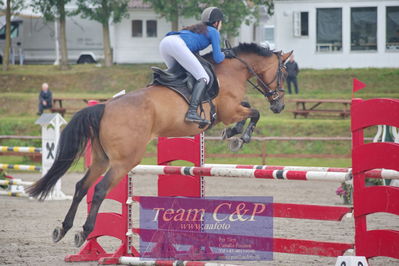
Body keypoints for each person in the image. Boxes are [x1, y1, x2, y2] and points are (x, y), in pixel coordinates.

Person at [159, 6, 234, 125]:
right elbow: (218, 58)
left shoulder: (198, 28)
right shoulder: (214, 31)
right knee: (203, 77)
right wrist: (226, 53)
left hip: (165, 43)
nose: (221, 25)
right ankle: (192, 112)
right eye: (221, 22)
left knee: (177, 76)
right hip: (177, 45)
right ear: (216, 22)